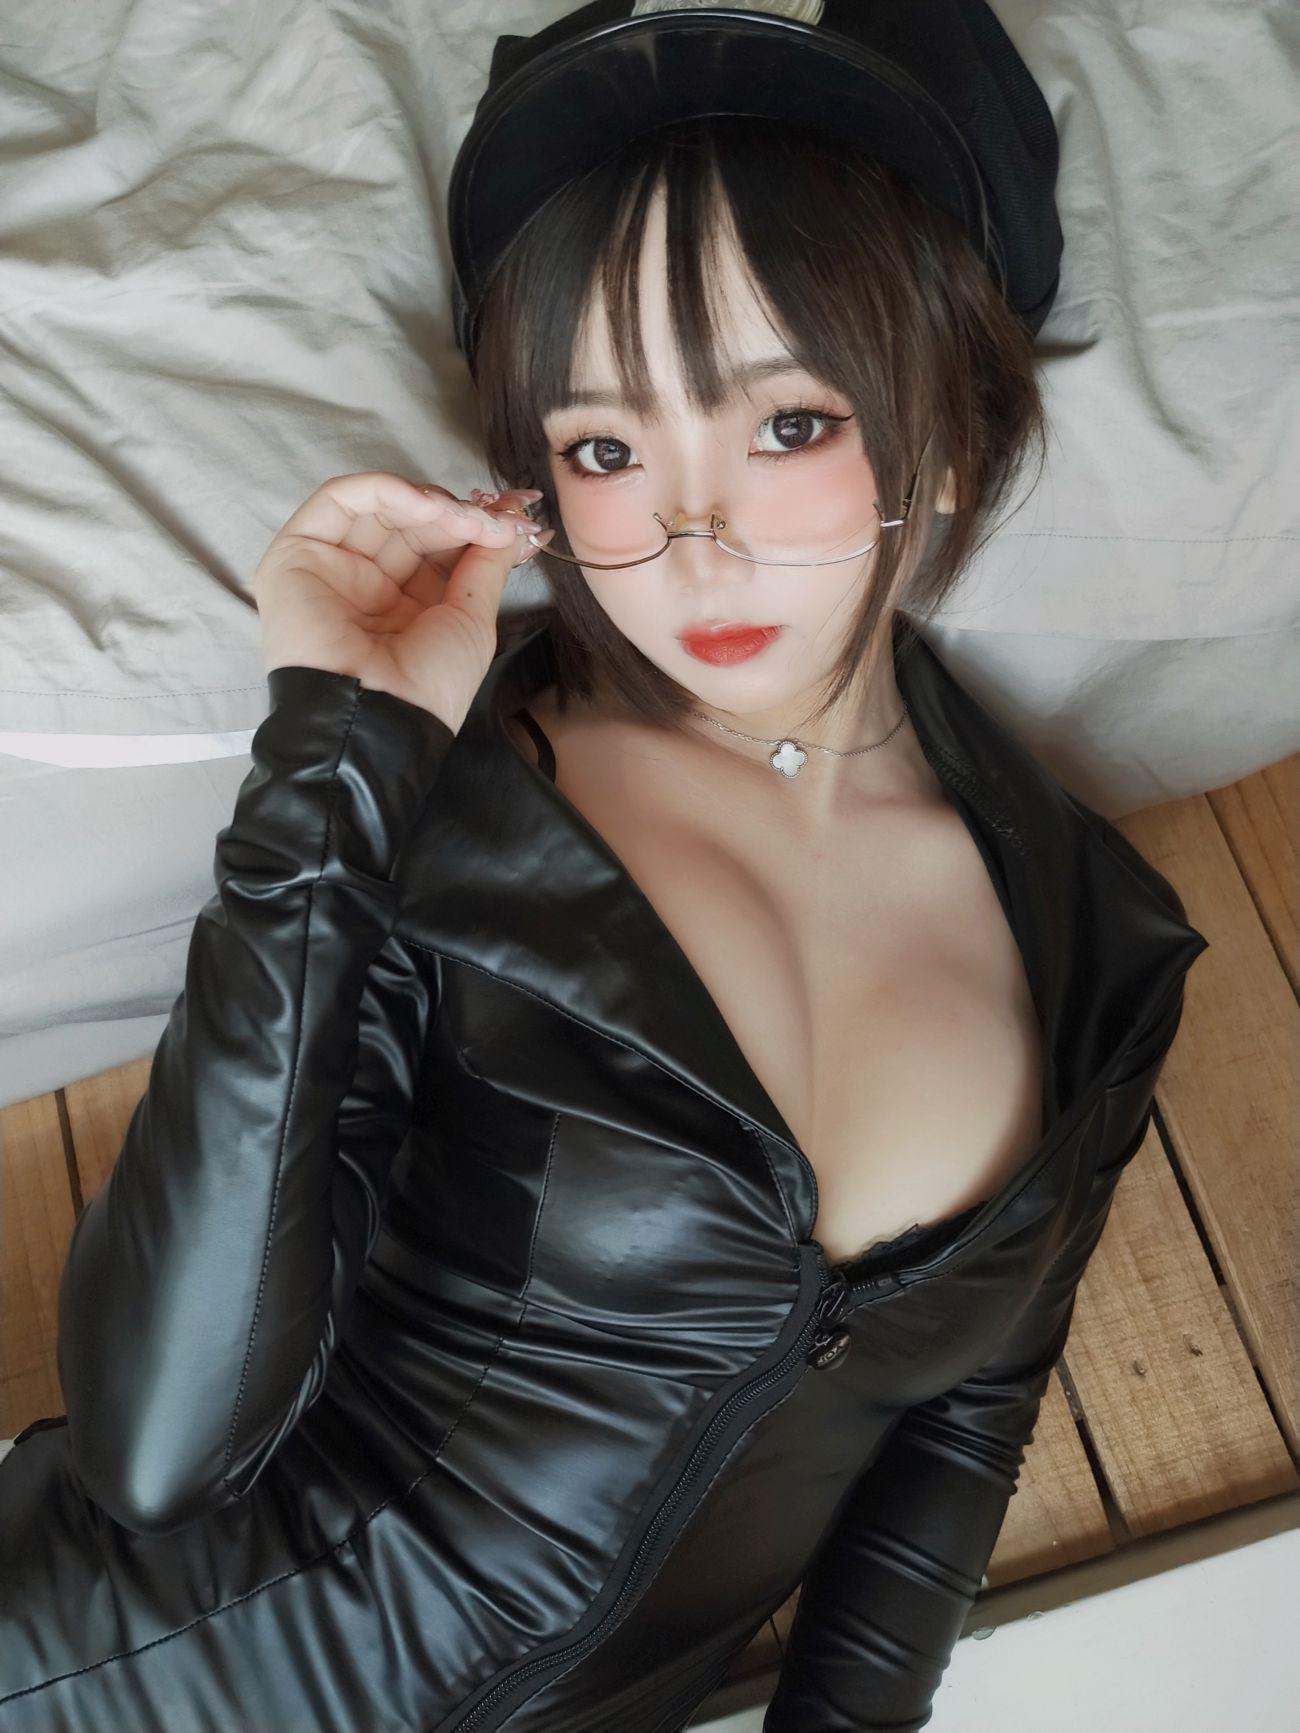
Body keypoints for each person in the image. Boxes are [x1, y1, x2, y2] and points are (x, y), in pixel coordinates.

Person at [0, 4, 1210, 1730]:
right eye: (606, 447)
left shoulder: (1102, 945)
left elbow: (961, 1424)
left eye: (788, 425)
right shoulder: (444, 804)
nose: (691, 538)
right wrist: (335, 753)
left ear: (944, 431)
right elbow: (156, 1444)